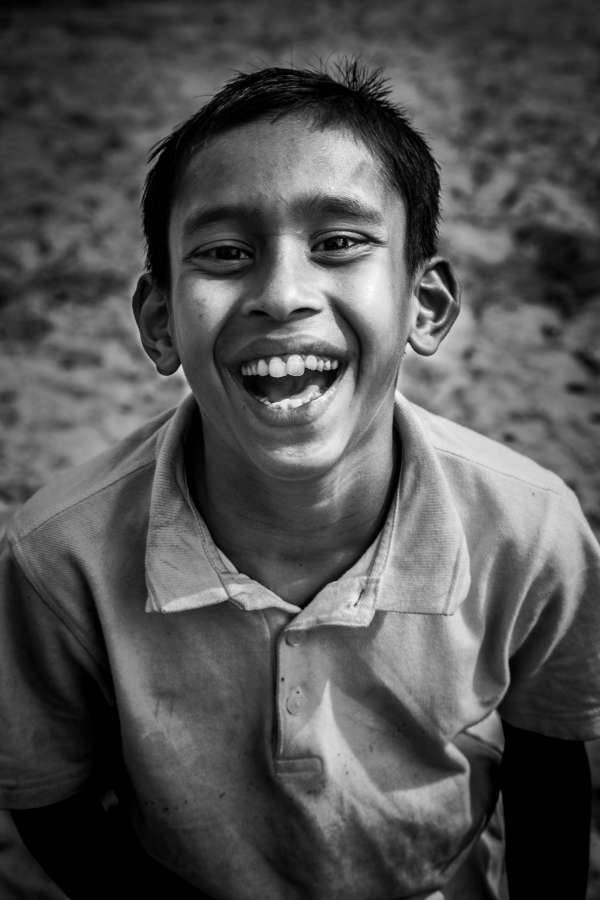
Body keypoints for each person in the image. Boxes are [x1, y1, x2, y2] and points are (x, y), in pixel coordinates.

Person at [0, 60, 598, 900]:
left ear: (424, 305)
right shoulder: (59, 558)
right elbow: (51, 800)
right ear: (160, 322)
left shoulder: (529, 529)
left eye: (339, 243)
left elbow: (550, 772)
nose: (282, 294)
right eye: (225, 253)